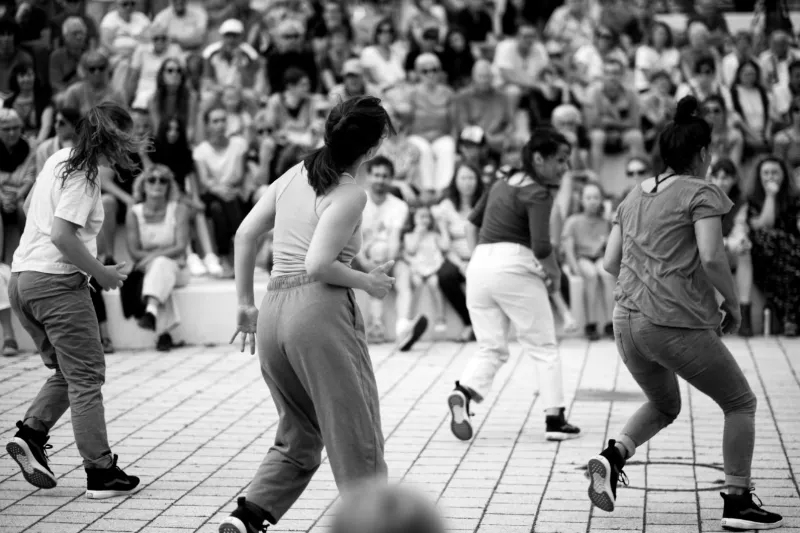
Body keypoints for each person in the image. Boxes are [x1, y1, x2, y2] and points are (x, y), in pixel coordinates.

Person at [585, 96, 783, 531]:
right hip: (670, 321)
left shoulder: (634, 194)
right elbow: (713, 256)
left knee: (664, 403)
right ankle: (737, 502)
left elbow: (608, 262)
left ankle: (611, 455)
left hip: (626, 321)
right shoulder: (701, 191)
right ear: (702, 153)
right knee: (740, 403)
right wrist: (731, 303)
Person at [222, 95, 396, 533]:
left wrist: (245, 304)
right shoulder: (351, 192)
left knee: (299, 431)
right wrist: (368, 282)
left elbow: (245, 234)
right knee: (354, 431)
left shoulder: (294, 174)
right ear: (374, 146)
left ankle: (249, 517)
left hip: (274, 312)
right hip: (317, 313)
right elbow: (318, 264)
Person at [4, 102, 143, 499]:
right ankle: (100, 473)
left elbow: (32, 207)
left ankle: (31, 435)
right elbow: (63, 236)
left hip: (23, 280)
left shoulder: (58, 159)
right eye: (127, 139)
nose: (130, 149)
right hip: (56, 285)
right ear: (113, 139)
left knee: (69, 370)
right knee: (86, 375)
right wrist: (101, 272)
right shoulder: (84, 175)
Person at [447, 127, 581, 443]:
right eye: (559, 160)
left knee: (491, 345)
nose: (564, 167)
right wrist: (555, 276)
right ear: (538, 158)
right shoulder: (538, 192)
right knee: (544, 345)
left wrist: (473, 260)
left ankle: (464, 392)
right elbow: (542, 246)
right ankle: (554, 419)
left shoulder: (500, 183)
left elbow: (471, 224)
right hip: (515, 266)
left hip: (479, 265)